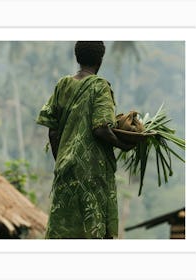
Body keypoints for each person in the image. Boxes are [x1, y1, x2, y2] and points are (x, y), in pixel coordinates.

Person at [37, 41, 133, 239]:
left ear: (77, 58)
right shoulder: (99, 86)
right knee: (93, 230)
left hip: (66, 168)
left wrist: (62, 159)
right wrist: (125, 145)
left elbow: (52, 130)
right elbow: (101, 128)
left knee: (64, 229)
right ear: (100, 60)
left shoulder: (63, 84)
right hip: (92, 173)